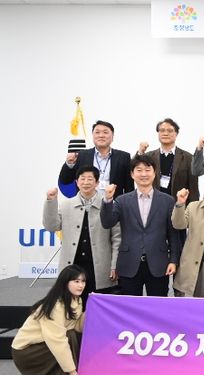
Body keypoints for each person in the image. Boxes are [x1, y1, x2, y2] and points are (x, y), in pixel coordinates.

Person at [100, 155, 180, 297]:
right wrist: (107, 200)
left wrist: (173, 260)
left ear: (154, 173)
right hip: (129, 263)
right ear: (132, 174)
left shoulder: (167, 201)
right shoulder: (122, 200)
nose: (144, 174)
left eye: (148, 170)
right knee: (129, 307)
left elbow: (173, 234)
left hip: (158, 264)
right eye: (139, 170)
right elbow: (107, 223)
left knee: (157, 306)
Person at [43, 166, 121, 309]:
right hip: (72, 265)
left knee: (98, 309)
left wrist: (114, 265)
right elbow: (51, 226)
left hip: (99, 268)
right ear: (76, 182)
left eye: (90, 179)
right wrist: (51, 201)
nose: (86, 182)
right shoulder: (66, 204)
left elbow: (117, 238)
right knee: (71, 308)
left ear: (97, 183)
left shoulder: (108, 204)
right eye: (82, 179)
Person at [11, 265, 86, 375]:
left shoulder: (76, 300)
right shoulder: (56, 306)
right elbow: (56, 340)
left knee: (72, 334)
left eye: (83, 281)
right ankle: (63, 374)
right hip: (26, 352)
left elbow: (75, 326)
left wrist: (90, 312)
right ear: (65, 283)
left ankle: (66, 372)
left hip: (41, 345)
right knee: (69, 336)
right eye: (76, 281)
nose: (81, 285)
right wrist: (72, 371)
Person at [58, 120, 133, 199]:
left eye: (105, 132)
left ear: (112, 136)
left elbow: (129, 187)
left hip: (114, 204)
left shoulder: (123, 157)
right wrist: (69, 164)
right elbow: (65, 180)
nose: (101, 135)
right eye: (97, 132)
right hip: (86, 204)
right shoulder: (82, 155)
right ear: (93, 136)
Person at [137, 118, 199, 204]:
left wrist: (193, 208)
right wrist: (140, 152)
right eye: (162, 130)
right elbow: (135, 171)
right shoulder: (149, 156)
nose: (165, 133)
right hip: (153, 205)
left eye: (170, 131)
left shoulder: (188, 158)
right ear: (158, 133)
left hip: (178, 206)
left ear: (176, 134)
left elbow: (193, 188)